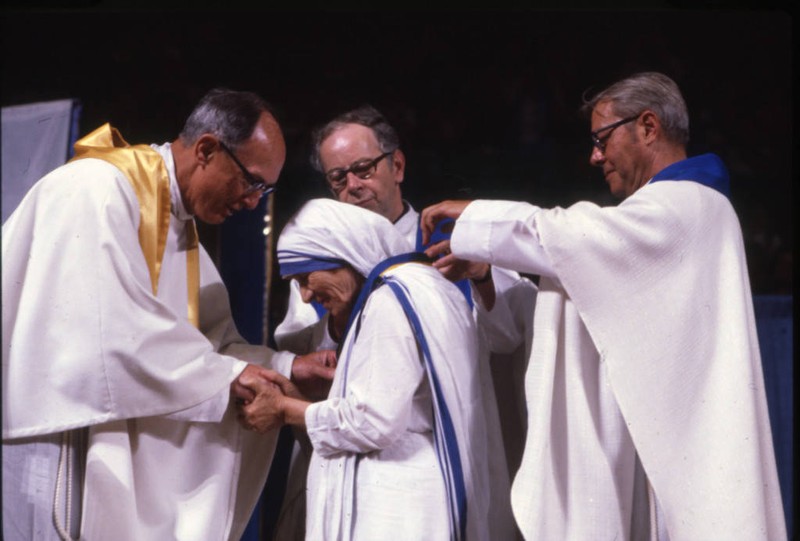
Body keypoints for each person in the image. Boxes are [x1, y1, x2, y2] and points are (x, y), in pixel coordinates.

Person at [419, 71, 787, 540]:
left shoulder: (687, 205)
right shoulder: (678, 209)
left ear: (648, 126)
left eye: (602, 139)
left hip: (682, 450)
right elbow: (588, 308)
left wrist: (477, 216)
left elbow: (574, 235)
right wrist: (486, 274)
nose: (594, 156)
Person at [1, 88, 335, 541]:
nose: (254, 202)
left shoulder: (176, 223)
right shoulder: (97, 189)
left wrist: (286, 366)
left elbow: (208, 344)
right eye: (251, 182)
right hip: (54, 442)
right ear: (206, 150)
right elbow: (108, 336)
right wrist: (230, 377)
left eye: (266, 190)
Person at [271, 105, 524, 540]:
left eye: (363, 169)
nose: (353, 185)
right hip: (347, 459)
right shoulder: (319, 260)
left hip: (432, 458)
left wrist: (481, 276)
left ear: (397, 165)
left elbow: (508, 337)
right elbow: (303, 353)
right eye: (338, 178)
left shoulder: (448, 241)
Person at [238, 198, 492, 540]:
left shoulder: (389, 300)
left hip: (397, 506)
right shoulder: (424, 286)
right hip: (418, 495)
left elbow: (373, 421)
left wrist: (284, 409)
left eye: (305, 278)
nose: (307, 295)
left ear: (343, 255)